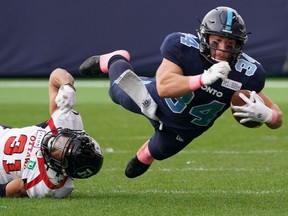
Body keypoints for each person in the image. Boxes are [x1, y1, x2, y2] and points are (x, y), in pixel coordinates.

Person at [79, 6, 283, 179]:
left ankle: (145, 156)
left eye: (230, 44)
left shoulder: (248, 73)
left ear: (239, 46)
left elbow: (278, 118)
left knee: (160, 151)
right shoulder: (182, 46)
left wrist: (267, 115)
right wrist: (203, 78)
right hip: (152, 99)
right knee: (116, 92)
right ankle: (114, 59)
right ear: (204, 38)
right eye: (216, 42)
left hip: (185, 128)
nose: (222, 50)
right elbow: (164, 87)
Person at [0, 68, 103, 198]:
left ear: (64, 167)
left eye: (61, 151)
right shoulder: (67, 124)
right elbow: (56, 75)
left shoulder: (53, 184)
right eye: (65, 141)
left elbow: (11, 190)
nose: (57, 144)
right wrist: (67, 86)